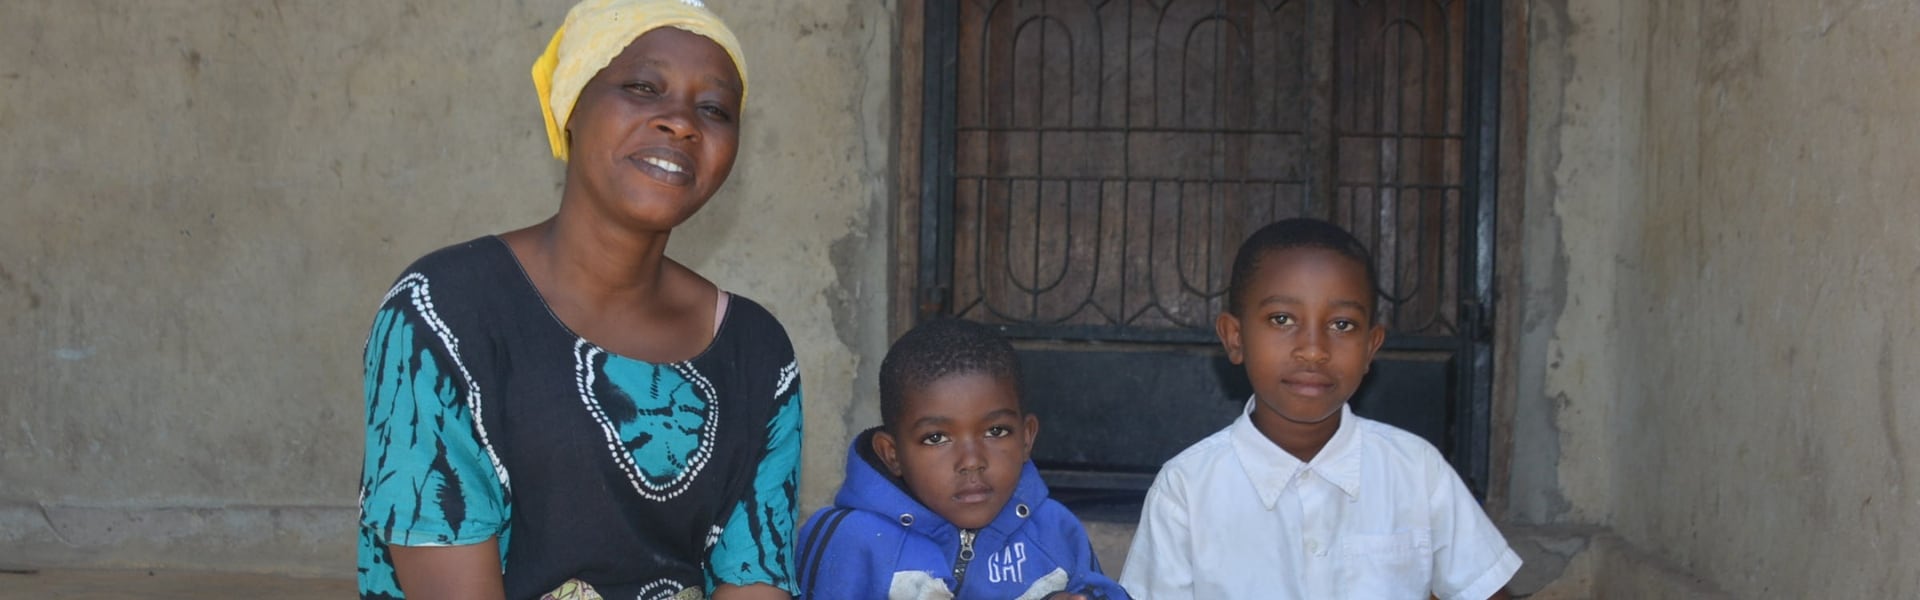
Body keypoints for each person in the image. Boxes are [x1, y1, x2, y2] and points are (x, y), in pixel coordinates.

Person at [355, 2, 800, 599]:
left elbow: (757, 579)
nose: (681, 122)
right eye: (643, 88)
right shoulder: (445, 313)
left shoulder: (758, 352)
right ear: (571, 107)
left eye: (714, 109)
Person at [1119, 218, 1521, 599]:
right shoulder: (1186, 489)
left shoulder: (1416, 471)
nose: (1313, 349)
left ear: (1370, 347)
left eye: (1342, 325)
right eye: (1281, 319)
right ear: (1235, 337)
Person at [793, 319, 1130, 600]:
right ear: (892, 454)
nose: (971, 461)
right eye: (936, 438)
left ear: (1026, 437)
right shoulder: (850, 541)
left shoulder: (1055, 531)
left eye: (996, 431)